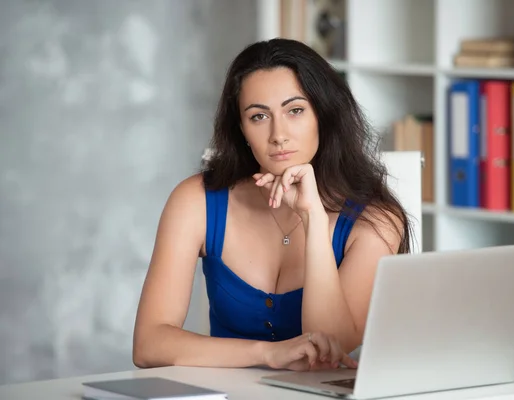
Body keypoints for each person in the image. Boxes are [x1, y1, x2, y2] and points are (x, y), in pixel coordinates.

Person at [132, 38, 413, 372]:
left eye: (295, 110)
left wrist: (313, 219)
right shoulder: (196, 201)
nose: (278, 134)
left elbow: (331, 343)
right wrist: (267, 354)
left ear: (323, 115)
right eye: (259, 116)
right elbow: (148, 345)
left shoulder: (376, 219)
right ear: (242, 130)